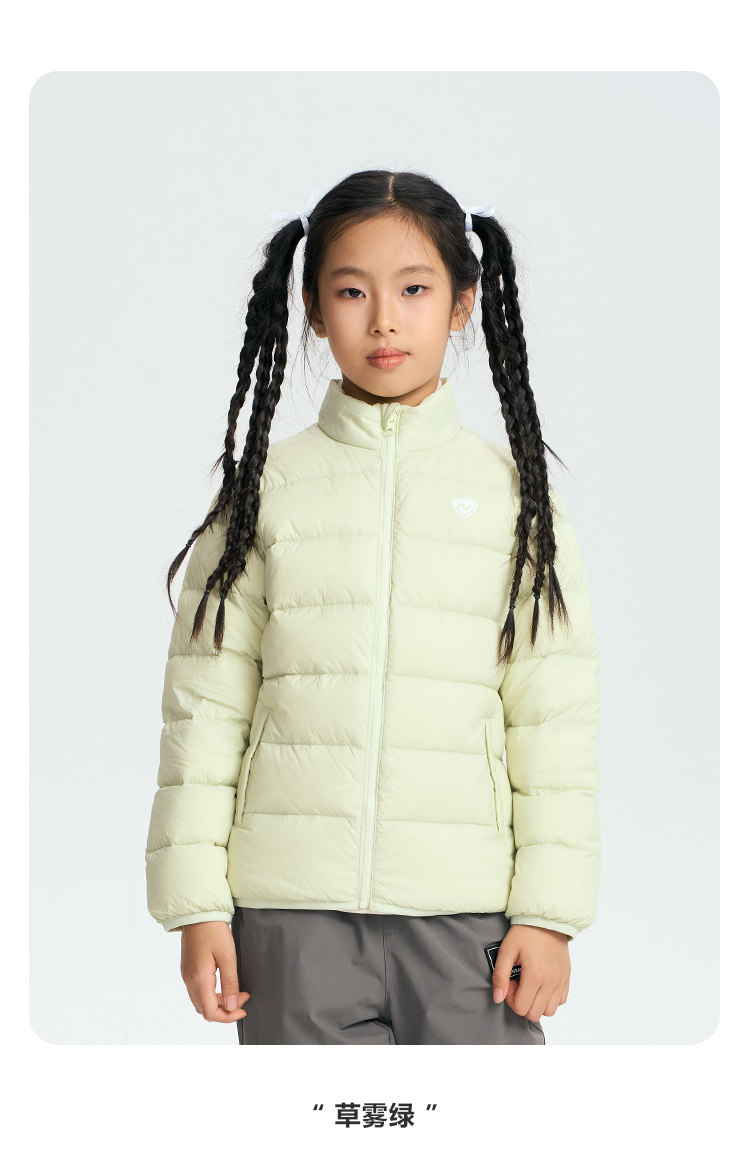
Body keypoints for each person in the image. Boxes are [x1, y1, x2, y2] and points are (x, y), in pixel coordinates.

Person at [144, 169, 601, 1045]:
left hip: (467, 913)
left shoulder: (515, 502)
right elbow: (204, 709)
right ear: (314, 311)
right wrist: (196, 904)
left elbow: (554, 722)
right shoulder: (264, 492)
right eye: (352, 292)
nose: (384, 320)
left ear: (463, 303)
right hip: (290, 909)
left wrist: (549, 913)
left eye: (414, 290)